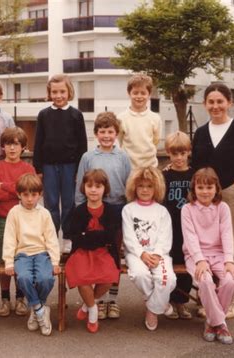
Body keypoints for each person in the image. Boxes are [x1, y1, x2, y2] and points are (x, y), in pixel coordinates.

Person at [191, 83, 234, 318]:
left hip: (232, 194)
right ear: (205, 104)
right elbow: (195, 166)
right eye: (211, 102)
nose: (216, 106)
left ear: (229, 102)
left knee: (233, 247)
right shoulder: (200, 133)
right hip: (205, 198)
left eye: (220, 101)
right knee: (207, 246)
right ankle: (208, 297)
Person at [75, 112, 131, 320]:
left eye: (110, 132)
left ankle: (112, 300)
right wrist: (81, 210)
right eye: (102, 132)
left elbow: (129, 184)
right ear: (96, 133)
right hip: (93, 209)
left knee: (113, 254)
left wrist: (128, 209)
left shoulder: (123, 156)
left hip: (116, 208)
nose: (106, 136)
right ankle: (97, 299)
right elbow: (80, 185)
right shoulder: (88, 157)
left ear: (116, 133)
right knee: (95, 254)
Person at [181, 167, 234, 345]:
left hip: (220, 254)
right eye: (200, 188)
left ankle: (211, 321)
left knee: (232, 281)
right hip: (195, 255)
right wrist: (199, 260)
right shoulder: (187, 209)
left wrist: (229, 260)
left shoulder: (223, 208)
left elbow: (227, 234)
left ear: (216, 189)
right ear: (194, 189)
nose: (205, 192)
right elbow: (190, 237)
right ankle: (220, 324)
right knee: (205, 281)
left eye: (209, 187)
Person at [33, 74, 87, 248]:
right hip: (49, 167)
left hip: (70, 167)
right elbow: (38, 142)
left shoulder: (76, 115)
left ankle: (68, 238)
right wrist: (38, 168)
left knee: (69, 203)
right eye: (54, 92)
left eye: (62, 91)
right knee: (51, 204)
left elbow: (82, 144)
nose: (58, 95)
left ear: (69, 91)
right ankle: (52, 237)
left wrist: (80, 170)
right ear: (49, 93)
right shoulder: (44, 115)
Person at [2, 173, 61, 336]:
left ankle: (36, 308)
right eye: (25, 195)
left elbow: (51, 239)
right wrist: (8, 262)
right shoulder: (14, 213)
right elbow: (9, 238)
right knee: (24, 278)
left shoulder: (44, 214)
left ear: (40, 195)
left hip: (42, 254)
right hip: (22, 254)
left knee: (46, 278)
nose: (29, 199)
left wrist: (55, 261)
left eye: (33, 195)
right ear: (18, 194)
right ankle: (40, 310)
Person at [0, 127, 35, 317]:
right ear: (3, 146)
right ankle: (5, 299)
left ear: (23, 147)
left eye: (16, 144)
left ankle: (20, 297)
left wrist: (4, 186)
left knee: (21, 258)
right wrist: (16, 191)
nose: (12, 148)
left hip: (24, 219)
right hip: (2, 219)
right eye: (8, 144)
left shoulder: (27, 168)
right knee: (5, 260)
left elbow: (29, 192)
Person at [66, 169, 121, 333]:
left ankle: (88, 303)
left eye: (98, 186)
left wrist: (89, 235)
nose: (94, 190)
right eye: (89, 185)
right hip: (82, 252)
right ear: (84, 187)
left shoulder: (111, 211)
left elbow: (110, 236)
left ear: (105, 188)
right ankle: (93, 310)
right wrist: (96, 236)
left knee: (109, 277)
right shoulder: (79, 211)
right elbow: (74, 236)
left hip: (104, 251)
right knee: (82, 277)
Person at [122, 166, 176, 331]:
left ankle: (152, 308)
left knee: (168, 280)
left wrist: (157, 254)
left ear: (156, 188)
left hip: (159, 255)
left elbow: (165, 237)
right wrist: (142, 253)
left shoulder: (162, 211)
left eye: (149, 186)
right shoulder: (128, 209)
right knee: (139, 274)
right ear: (134, 188)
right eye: (141, 186)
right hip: (136, 254)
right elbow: (129, 237)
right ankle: (159, 304)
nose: (145, 190)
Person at [162, 131, 194, 320]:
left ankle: (181, 302)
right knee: (171, 264)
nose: (179, 158)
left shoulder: (194, 175)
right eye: (175, 154)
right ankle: (169, 301)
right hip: (170, 227)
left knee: (187, 265)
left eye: (182, 153)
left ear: (189, 152)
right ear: (168, 153)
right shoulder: (164, 176)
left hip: (189, 228)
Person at [118, 74, 161, 169]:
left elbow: (155, 141)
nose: (139, 96)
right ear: (129, 93)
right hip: (128, 168)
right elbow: (120, 141)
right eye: (135, 93)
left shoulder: (155, 118)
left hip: (150, 168)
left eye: (143, 93)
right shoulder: (121, 118)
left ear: (149, 95)